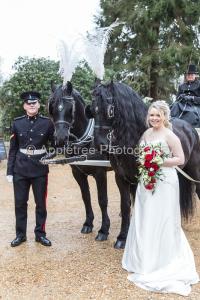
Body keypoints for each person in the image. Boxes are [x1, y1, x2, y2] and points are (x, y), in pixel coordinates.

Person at [122, 101, 199, 296]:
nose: (154, 119)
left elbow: (180, 159)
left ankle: (163, 260)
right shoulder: (146, 134)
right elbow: (140, 153)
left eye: (158, 115)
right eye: (152, 115)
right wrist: (144, 160)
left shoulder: (169, 135)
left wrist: (158, 161)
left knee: (162, 218)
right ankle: (143, 259)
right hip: (146, 181)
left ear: (165, 117)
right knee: (145, 217)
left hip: (165, 182)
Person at [6, 91, 55, 247]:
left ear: (38, 105)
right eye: (29, 103)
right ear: (24, 106)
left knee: (41, 204)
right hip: (20, 169)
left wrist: (52, 154)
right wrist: (9, 171)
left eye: (34, 103)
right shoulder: (17, 123)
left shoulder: (48, 123)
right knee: (20, 204)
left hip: (39, 169)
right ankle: (20, 235)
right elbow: (13, 149)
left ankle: (40, 234)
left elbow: (55, 144)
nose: (32, 105)